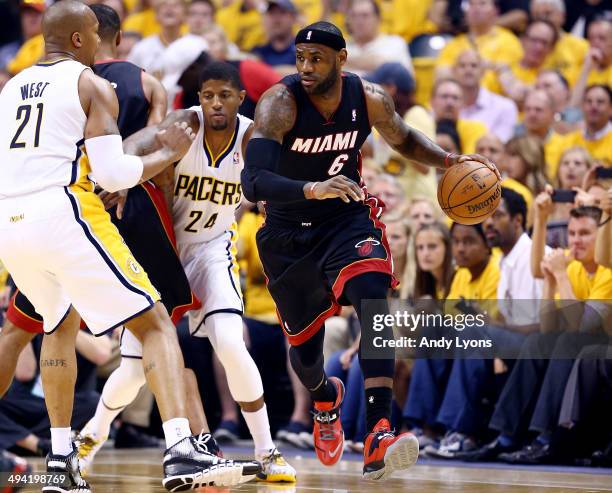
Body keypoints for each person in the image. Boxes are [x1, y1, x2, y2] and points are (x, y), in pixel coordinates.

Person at [0, 2, 254, 491]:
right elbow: (115, 174)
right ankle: (182, 452)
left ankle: (60, 462)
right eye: (94, 33)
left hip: (11, 221)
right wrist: (167, 153)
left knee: (55, 324)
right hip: (65, 213)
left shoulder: (11, 87)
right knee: (154, 320)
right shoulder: (91, 84)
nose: (100, 42)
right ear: (78, 39)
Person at [240, 21, 499, 479]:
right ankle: (324, 399)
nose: (304, 67)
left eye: (315, 58)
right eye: (300, 57)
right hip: (287, 232)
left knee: (374, 298)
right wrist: (314, 188)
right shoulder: (279, 104)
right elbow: (254, 181)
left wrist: (448, 161)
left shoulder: (368, 98)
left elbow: (402, 137)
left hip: (346, 217)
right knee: (304, 353)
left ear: (341, 60)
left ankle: (379, 430)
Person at [111, 61, 296, 482]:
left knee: (231, 344)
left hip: (213, 250)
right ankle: (89, 438)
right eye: (208, 95)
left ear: (240, 98)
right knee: (132, 369)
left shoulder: (253, 137)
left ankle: (267, 451)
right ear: (199, 98)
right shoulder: (182, 126)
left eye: (224, 95)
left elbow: (280, 184)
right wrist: (122, 176)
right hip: (163, 252)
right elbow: (126, 149)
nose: (215, 103)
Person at [435, 0, 522, 79]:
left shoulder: (509, 41)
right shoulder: (454, 44)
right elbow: (441, 77)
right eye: (471, 4)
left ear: (496, 11)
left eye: (482, 3)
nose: (476, 9)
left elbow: (512, 80)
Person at [454, 49, 518, 143]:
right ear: (454, 72)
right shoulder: (446, 105)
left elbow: (500, 144)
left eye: (474, 65)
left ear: (483, 72)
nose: (468, 70)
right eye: (462, 66)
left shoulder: (505, 107)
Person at [547, 85, 612, 176]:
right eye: (589, 102)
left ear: (610, 108)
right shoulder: (567, 141)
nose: (594, 106)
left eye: (600, 102)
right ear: (582, 107)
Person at [343, 0, 413, 76]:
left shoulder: (395, 43)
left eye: (365, 15)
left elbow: (407, 80)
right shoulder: (342, 46)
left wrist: (344, 60)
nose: (359, 21)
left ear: (378, 18)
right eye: (354, 16)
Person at [430, 79, 488, 154]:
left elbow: (471, 162)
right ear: (431, 101)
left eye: (455, 98)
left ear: (463, 103)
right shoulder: (421, 126)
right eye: (444, 96)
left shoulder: (475, 128)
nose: (450, 103)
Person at [251, 0, 298, 75]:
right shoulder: (259, 52)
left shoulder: (302, 50)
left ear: (294, 18)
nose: (276, 19)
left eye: (282, 13)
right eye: (272, 13)